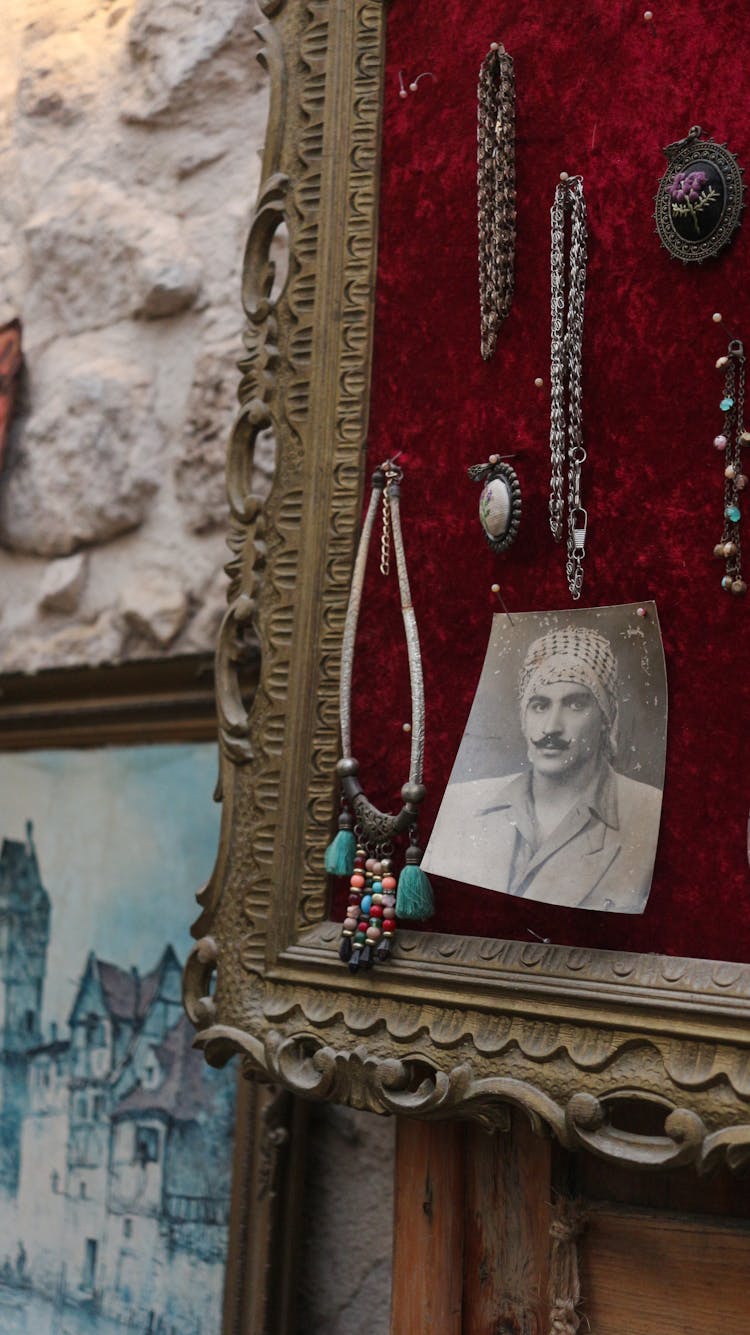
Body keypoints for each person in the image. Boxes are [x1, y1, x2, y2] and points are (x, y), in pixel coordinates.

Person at [422, 626, 663, 913]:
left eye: (575, 704)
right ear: (524, 717)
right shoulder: (459, 803)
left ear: (605, 718)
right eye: (539, 705)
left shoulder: (648, 814)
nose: (551, 727)